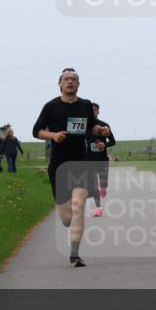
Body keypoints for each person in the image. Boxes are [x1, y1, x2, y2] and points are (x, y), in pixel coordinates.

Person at [33, 67, 111, 267]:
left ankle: (75, 253)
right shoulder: (51, 106)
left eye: (74, 79)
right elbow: (37, 131)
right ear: (59, 84)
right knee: (67, 218)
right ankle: (67, 223)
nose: (70, 82)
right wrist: (53, 136)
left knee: (78, 206)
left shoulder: (85, 105)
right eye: (66, 79)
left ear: (78, 84)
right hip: (59, 165)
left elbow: (91, 126)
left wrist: (100, 129)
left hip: (81, 162)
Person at [88, 103, 116, 217]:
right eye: (91, 110)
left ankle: (103, 186)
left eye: (95, 110)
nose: (93, 112)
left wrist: (104, 145)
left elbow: (113, 141)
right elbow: (83, 138)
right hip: (89, 160)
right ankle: (98, 208)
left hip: (102, 159)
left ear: (98, 112)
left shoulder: (104, 125)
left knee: (103, 184)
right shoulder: (85, 126)